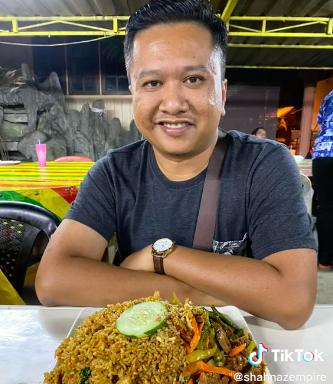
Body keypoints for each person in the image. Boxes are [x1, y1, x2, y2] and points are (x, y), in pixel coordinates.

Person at [36, 0, 317, 330]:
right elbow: (53, 281)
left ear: (222, 94)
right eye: (152, 83)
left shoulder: (263, 165)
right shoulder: (113, 174)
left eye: (194, 79)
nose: (172, 103)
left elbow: (293, 302)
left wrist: (161, 255)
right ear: (134, 94)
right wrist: (201, 292)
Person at [312, 89, 333, 269]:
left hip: (322, 152)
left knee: (326, 207)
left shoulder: (328, 96)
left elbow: (319, 126)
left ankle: (324, 261)